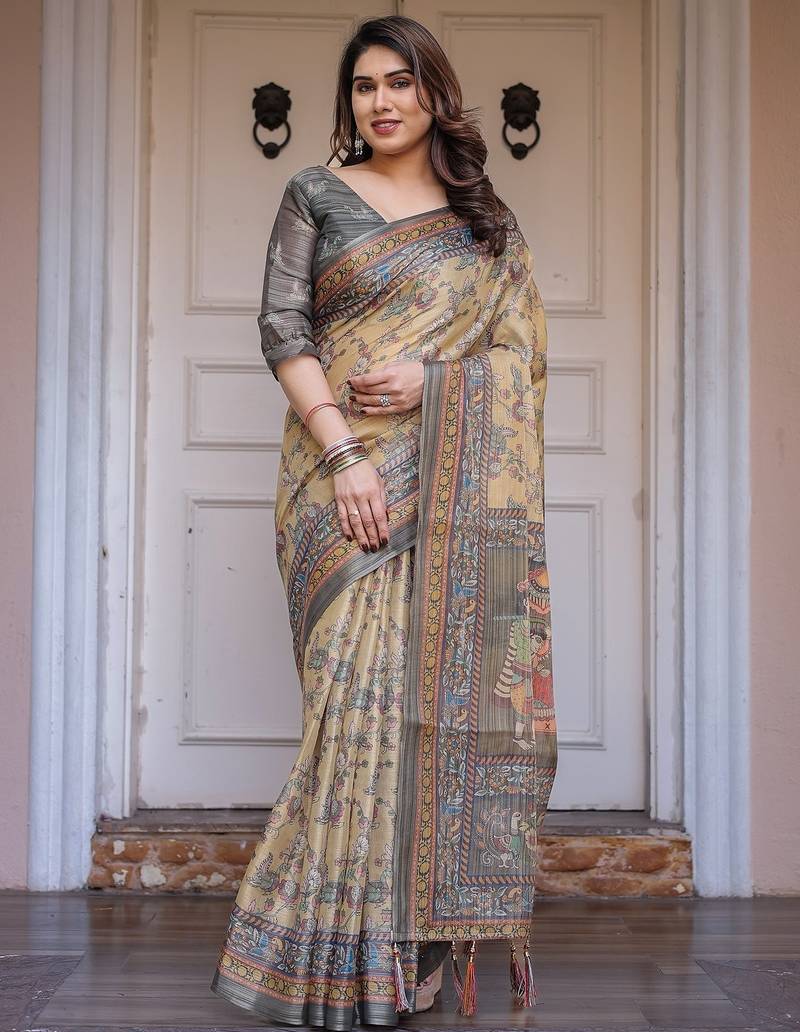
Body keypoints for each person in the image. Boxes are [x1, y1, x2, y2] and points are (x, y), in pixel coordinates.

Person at [210, 14, 557, 1030]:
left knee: (430, 721)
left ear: (434, 94)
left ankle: (411, 954)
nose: (381, 101)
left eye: (399, 82)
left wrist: (434, 380)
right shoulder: (314, 193)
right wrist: (345, 454)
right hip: (339, 490)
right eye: (364, 86)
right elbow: (282, 327)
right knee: (350, 717)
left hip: (450, 493)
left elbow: (522, 360)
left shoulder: (483, 222)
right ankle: (328, 956)